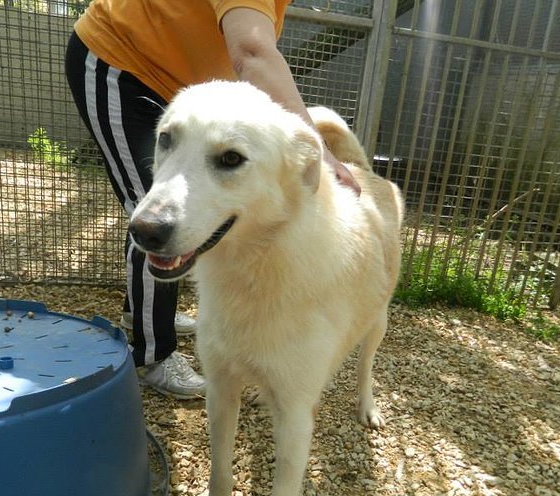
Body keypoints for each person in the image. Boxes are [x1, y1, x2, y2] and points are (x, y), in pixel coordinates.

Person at [65, 0, 359, 399]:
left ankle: (145, 315)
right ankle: (154, 353)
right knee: (151, 209)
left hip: (176, 87)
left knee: (178, 217)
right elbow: (252, 54)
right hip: (118, 64)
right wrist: (319, 150)